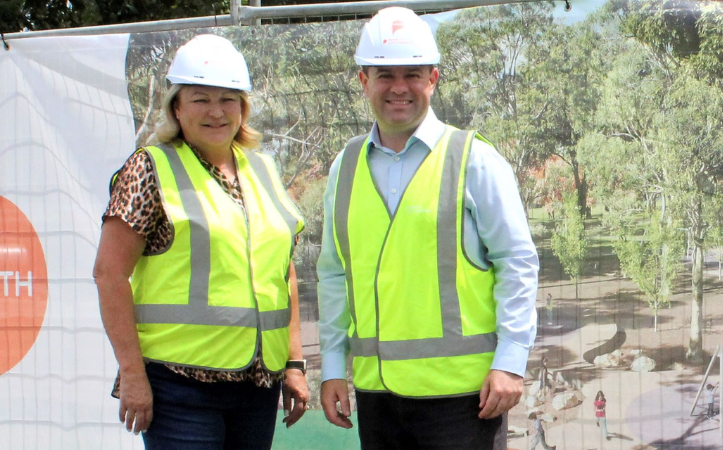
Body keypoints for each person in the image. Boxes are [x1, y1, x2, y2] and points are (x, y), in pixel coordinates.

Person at [315, 7, 540, 450]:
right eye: (384, 75)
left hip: (464, 399)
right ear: (364, 82)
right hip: (379, 399)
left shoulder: (474, 159)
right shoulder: (345, 166)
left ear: (433, 79)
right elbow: (334, 273)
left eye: (412, 74)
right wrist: (332, 366)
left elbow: (516, 262)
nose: (399, 87)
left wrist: (511, 362)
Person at [93, 34, 310, 449]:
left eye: (228, 99)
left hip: (256, 387)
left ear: (243, 108)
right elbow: (109, 273)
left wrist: (295, 364)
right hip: (179, 388)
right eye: (200, 98)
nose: (216, 111)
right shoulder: (149, 168)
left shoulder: (261, 169)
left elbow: (283, 272)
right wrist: (133, 374)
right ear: (176, 106)